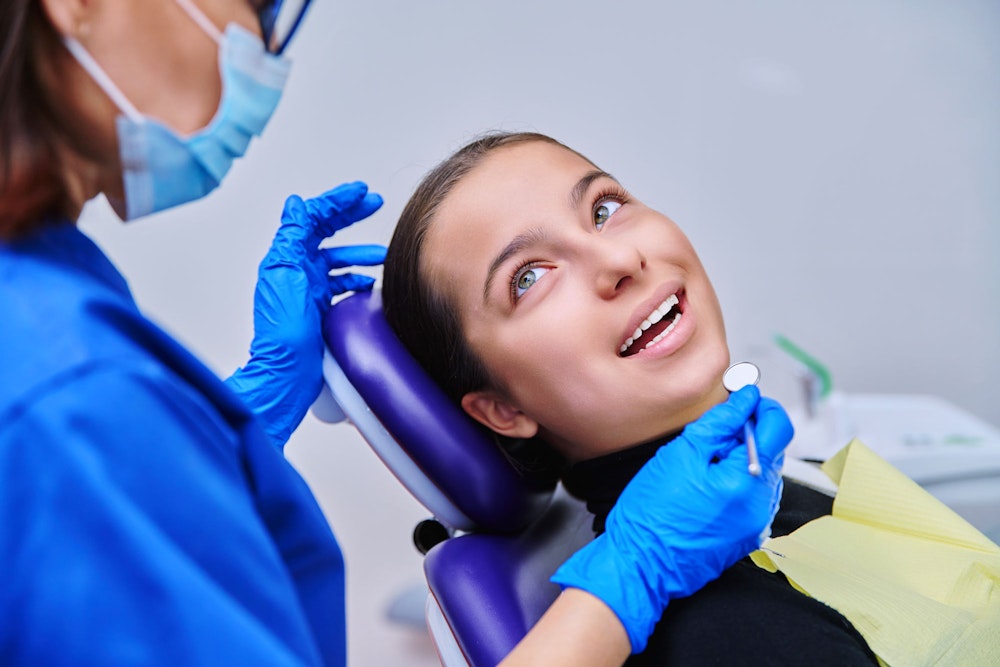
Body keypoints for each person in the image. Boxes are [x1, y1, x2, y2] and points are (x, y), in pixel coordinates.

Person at [0, 2, 785, 664]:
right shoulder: (63, 393)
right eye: (527, 277)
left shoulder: (52, 319)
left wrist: (251, 409)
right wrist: (633, 572)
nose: (264, 46)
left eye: (605, 208)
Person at [382, 131, 879, 664]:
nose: (619, 258)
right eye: (527, 278)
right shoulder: (733, 631)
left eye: (603, 209)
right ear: (505, 409)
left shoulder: (784, 481)